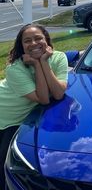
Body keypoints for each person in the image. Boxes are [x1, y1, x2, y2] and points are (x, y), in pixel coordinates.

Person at [0, 23, 68, 189]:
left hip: (24, 117)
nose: (33, 43)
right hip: (5, 116)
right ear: (21, 46)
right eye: (27, 41)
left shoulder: (58, 58)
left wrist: (43, 62)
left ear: (46, 40)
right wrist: (38, 65)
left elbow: (58, 93)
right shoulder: (15, 68)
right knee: (6, 166)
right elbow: (43, 98)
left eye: (38, 38)